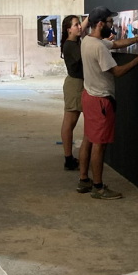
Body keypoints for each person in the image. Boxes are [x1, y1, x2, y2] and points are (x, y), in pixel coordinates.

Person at [78, 7, 138, 200]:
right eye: (109, 22)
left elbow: (115, 44)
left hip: (89, 96)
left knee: (88, 138)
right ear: (100, 24)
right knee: (99, 145)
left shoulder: (87, 41)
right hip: (101, 101)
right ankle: (98, 187)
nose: (112, 25)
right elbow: (116, 72)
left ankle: (84, 180)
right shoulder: (99, 47)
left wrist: (136, 39)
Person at [59, 15, 84, 171]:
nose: (80, 27)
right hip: (75, 85)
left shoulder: (75, 41)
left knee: (70, 122)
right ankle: (68, 158)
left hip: (78, 83)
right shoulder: (70, 45)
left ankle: (69, 158)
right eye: (76, 25)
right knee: (69, 122)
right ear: (69, 29)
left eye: (79, 24)